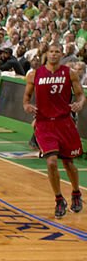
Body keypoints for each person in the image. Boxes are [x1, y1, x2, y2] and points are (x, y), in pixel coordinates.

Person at [23, 44, 84, 218]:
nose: (54, 54)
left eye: (57, 52)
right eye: (51, 51)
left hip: (64, 123)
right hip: (44, 124)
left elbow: (80, 94)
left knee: (68, 163)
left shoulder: (69, 73)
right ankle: (58, 199)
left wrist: (80, 103)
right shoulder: (34, 74)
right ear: (47, 54)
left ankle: (76, 193)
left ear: (62, 54)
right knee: (51, 162)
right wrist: (26, 105)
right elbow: (26, 96)